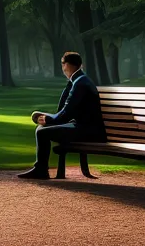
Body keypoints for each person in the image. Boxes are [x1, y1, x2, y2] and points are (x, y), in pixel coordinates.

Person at [17, 50, 106, 180]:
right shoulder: (79, 80)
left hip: (88, 130)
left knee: (42, 132)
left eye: (63, 64)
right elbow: (66, 110)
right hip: (84, 126)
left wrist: (48, 119)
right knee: (41, 129)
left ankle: (41, 170)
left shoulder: (80, 83)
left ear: (68, 65)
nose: (63, 68)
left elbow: (66, 112)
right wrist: (50, 119)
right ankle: (40, 168)